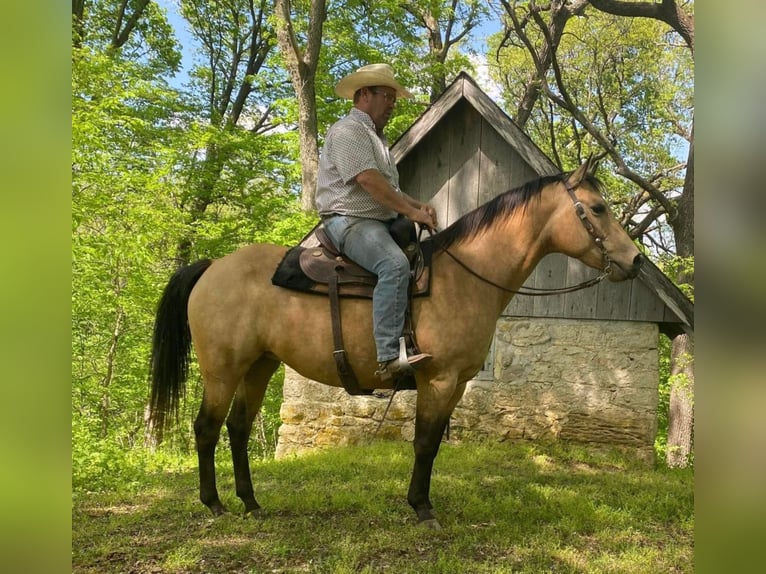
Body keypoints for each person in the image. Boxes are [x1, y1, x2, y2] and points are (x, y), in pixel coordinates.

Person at [315, 63, 438, 381]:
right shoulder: (348, 131)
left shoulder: (376, 139)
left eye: (395, 98)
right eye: (388, 97)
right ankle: (388, 358)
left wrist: (415, 204)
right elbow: (368, 181)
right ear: (364, 95)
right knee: (395, 265)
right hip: (349, 222)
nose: (393, 105)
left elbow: (390, 189)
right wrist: (411, 213)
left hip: (377, 222)